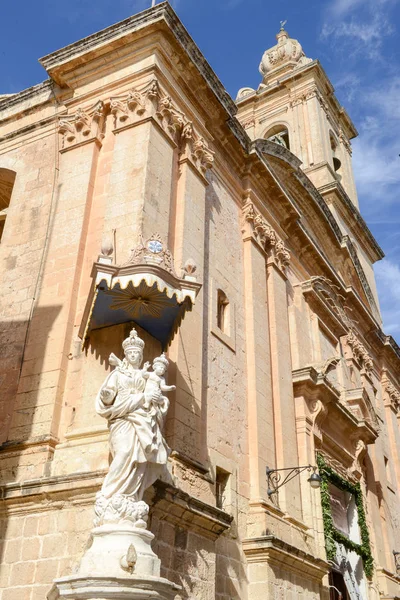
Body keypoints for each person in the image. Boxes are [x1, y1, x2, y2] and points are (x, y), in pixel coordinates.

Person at [95, 328, 170, 502]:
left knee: (139, 458)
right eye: (131, 352)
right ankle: (109, 494)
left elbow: (156, 397)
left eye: (137, 352)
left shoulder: (147, 376)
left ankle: (130, 496)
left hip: (141, 418)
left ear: (141, 356)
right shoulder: (117, 374)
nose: (134, 355)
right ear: (126, 355)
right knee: (123, 451)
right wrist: (106, 397)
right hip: (122, 416)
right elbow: (108, 397)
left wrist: (158, 400)